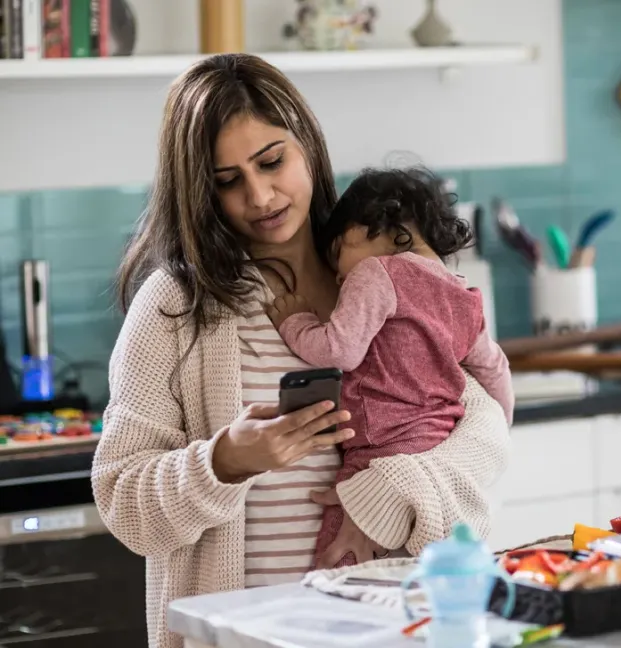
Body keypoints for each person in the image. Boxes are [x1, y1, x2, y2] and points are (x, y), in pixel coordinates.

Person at [92, 53, 509, 648]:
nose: (260, 195)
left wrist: (386, 496)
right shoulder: (177, 305)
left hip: (398, 627)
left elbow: (485, 430)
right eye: (227, 180)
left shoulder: (382, 275)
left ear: (307, 144)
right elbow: (122, 500)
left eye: (271, 162)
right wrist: (224, 462)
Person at [267, 166, 514, 566]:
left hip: (379, 452)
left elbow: (340, 350)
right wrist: (502, 422)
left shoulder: (376, 271)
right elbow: (493, 370)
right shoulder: (465, 295)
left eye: (336, 254)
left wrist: (295, 322)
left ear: (374, 227)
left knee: (337, 561)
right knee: (411, 573)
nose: (336, 273)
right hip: (437, 447)